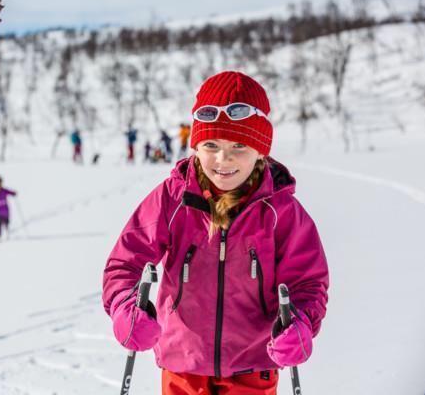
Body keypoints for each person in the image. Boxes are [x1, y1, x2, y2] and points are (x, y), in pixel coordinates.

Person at [102, 71, 329, 395]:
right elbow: (124, 262)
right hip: (183, 361)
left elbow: (308, 281)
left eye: (239, 144)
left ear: (260, 149)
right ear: (196, 146)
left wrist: (301, 324)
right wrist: (125, 307)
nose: (224, 159)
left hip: (255, 362)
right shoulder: (173, 199)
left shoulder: (281, 211)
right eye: (211, 144)